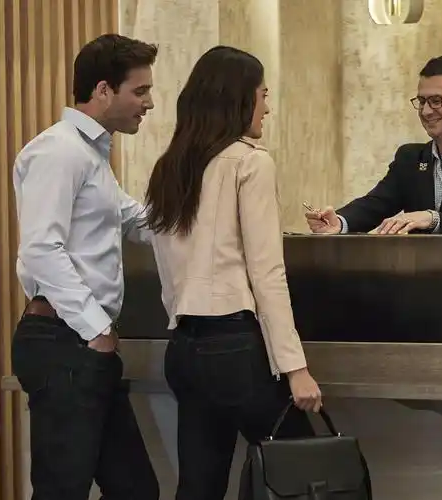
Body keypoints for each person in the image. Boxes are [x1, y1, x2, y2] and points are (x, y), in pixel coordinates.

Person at [143, 45, 323, 500]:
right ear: (239, 98)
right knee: (303, 474)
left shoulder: (169, 168)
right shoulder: (250, 161)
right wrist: (295, 367)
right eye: (263, 94)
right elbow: (267, 273)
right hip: (236, 350)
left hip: (184, 350)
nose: (268, 107)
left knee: (199, 486)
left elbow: (167, 269)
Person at [10, 33, 159, 500]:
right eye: (140, 91)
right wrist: (96, 329)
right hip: (65, 343)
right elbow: (41, 248)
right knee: (62, 490)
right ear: (103, 90)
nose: (149, 103)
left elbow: (138, 221)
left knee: (136, 489)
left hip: (83, 346)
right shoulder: (59, 152)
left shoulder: (91, 154)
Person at [306, 55, 442, 235]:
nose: (426, 111)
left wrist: (433, 219)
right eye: (421, 101)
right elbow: (375, 204)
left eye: (436, 101)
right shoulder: (410, 158)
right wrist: (339, 222)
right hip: (414, 274)